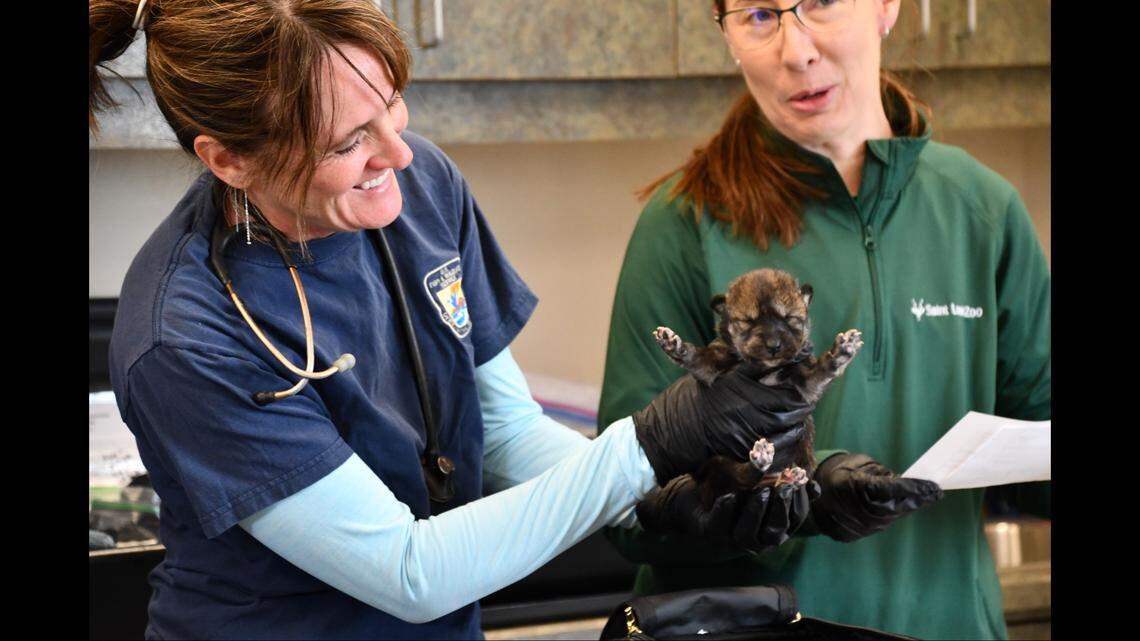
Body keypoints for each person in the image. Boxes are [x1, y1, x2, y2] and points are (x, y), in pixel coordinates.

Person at [90, 1, 822, 638]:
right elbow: (410, 572)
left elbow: (502, 426)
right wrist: (653, 442)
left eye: (394, 104)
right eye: (348, 142)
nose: (397, 152)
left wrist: (656, 501)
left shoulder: (422, 186)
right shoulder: (188, 337)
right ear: (230, 161)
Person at [597, 1, 1050, 639]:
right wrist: (797, 490)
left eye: (821, 3)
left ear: (887, 7)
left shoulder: (984, 212)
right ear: (725, 31)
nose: (796, 50)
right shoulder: (684, 224)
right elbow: (622, 502)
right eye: (758, 15)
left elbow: (1038, 462)